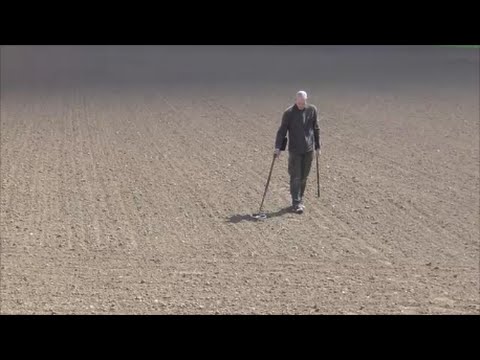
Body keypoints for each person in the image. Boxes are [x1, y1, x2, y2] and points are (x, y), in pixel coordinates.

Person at [274, 90, 321, 214]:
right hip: (295, 150)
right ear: (296, 100)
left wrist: (318, 146)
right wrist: (278, 147)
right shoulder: (289, 113)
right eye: (298, 103)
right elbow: (282, 131)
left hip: (308, 149)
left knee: (304, 177)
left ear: (306, 100)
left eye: (303, 103)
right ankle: (296, 203)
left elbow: (315, 128)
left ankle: (300, 199)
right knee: (295, 177)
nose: (300, 105)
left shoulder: (312, 110)